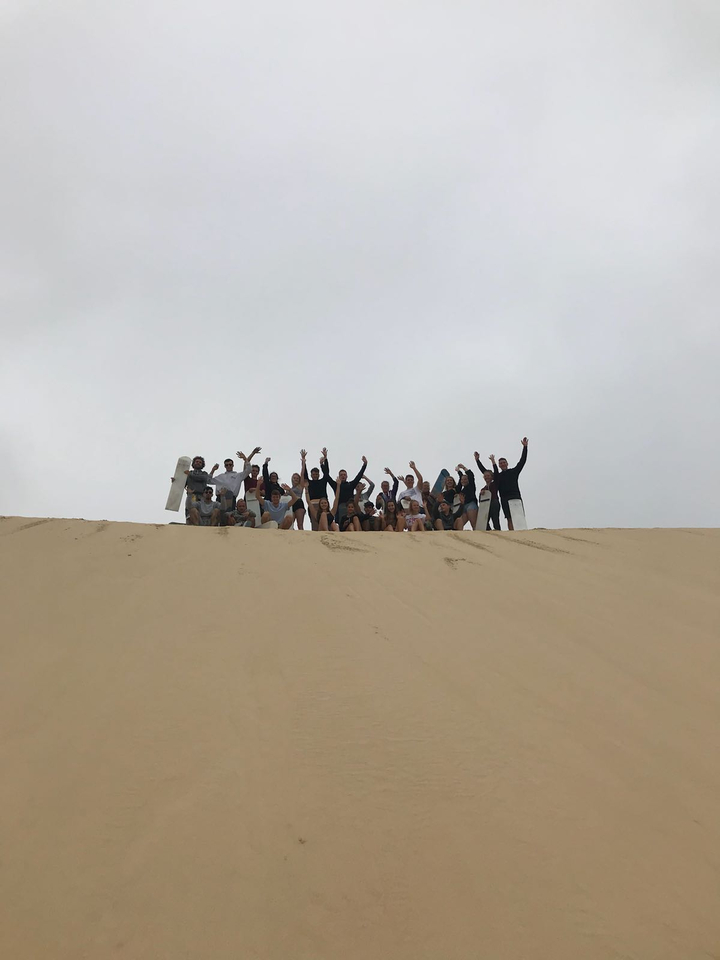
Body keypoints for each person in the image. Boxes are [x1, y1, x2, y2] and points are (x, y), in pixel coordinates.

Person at [476, 439, 528, 531]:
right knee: (509, 518)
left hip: (515, 496)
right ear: (499, 465)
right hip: (504, 498)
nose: (502, 464)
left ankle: (522, 533)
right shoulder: (497, 476)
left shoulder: (514, 471)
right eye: (501, 463)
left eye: (504, 462)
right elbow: (485, 472)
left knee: (518, 517)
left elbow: (522, 461)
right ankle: (512, 533)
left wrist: (525, 447)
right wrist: (477, 461)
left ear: (507, 463)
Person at [208, 448, 260, 513]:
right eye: (226, 465)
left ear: (233, 465)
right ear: (224, 466)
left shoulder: (238, 475)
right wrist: (213, 470)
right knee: (218, 515)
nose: (228, 466)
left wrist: (245, 458)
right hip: (220, 497)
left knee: (229, 516)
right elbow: (208, 481)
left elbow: (249, 470)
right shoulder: (220, 476)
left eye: (230, 464)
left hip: (231, 498)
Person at [326, 456, 368, 525]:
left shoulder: (350, 484)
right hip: (340, 507)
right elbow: (327, 476)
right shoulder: (336, 485)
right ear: (339, 476)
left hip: (350, 507)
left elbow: (359, 476)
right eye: (341, 475)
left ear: (346, 476)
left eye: (344, 475)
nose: (343, 476)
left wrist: (365, 465)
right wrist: (324, 461)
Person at [172, 456, 211, 522]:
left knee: (202, 511)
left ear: (202, 465)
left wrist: (190, 474)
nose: (198, 463)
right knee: (190, 511)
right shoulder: (188, 474)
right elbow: (182, 484)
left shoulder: (204, 473)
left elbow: (202, 478)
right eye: (196, 462)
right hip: (191, 495)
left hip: (202, 496)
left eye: (200, 462)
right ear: (193, 463)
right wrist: (176, 481)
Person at [304, 447, 334, 529]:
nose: (315, 476)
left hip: (324, 504)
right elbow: (304, 474)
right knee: (314, 524)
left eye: (316, 474)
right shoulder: (308, 482)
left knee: (328, 523)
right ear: (311, 475)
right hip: (313, 504)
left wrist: (325, 460)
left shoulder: (322, 481)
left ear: (319, 474)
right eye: (313, 474)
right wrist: (304, 462)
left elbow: (326, 472)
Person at [456, 464, 478, 530]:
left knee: (473, 524)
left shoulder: (471, 486)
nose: (463, 481)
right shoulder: (462, 490)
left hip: (471, 505)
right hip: (464, 507)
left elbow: (471, 475)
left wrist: (463, 468)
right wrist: (458, 471)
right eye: (462, 480)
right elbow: (461, 479)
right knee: (459, 525)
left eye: (465, 479)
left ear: (468, 480)